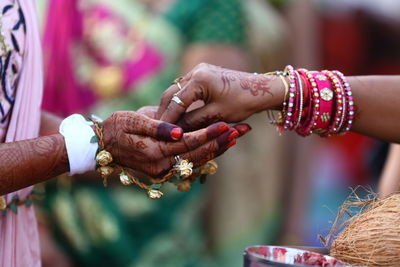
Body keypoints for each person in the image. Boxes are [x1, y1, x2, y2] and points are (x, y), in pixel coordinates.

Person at [0, 1, 250, 266]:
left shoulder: (209, 7)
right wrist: (35, 228)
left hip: (151, 229)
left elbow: (196, 130)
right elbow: (13, 119)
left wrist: (107, 147)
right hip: (36, 211)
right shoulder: (47, 5)